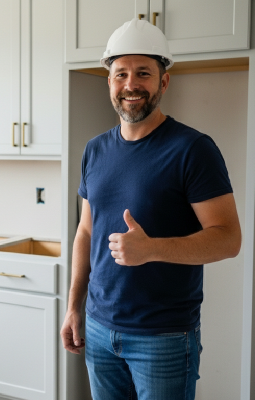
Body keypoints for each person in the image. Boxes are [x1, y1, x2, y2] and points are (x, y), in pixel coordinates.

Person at [59, 18, 242, 400]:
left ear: (163, 81)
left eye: (143, 73)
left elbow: (228, 239)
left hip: (164, 337)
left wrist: (152, 248)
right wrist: (74, 306)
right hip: (97, 327)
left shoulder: (192, 149)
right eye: (121, 73)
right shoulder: (94, 149)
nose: (131, 84)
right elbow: (86, 232)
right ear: (108, 81)